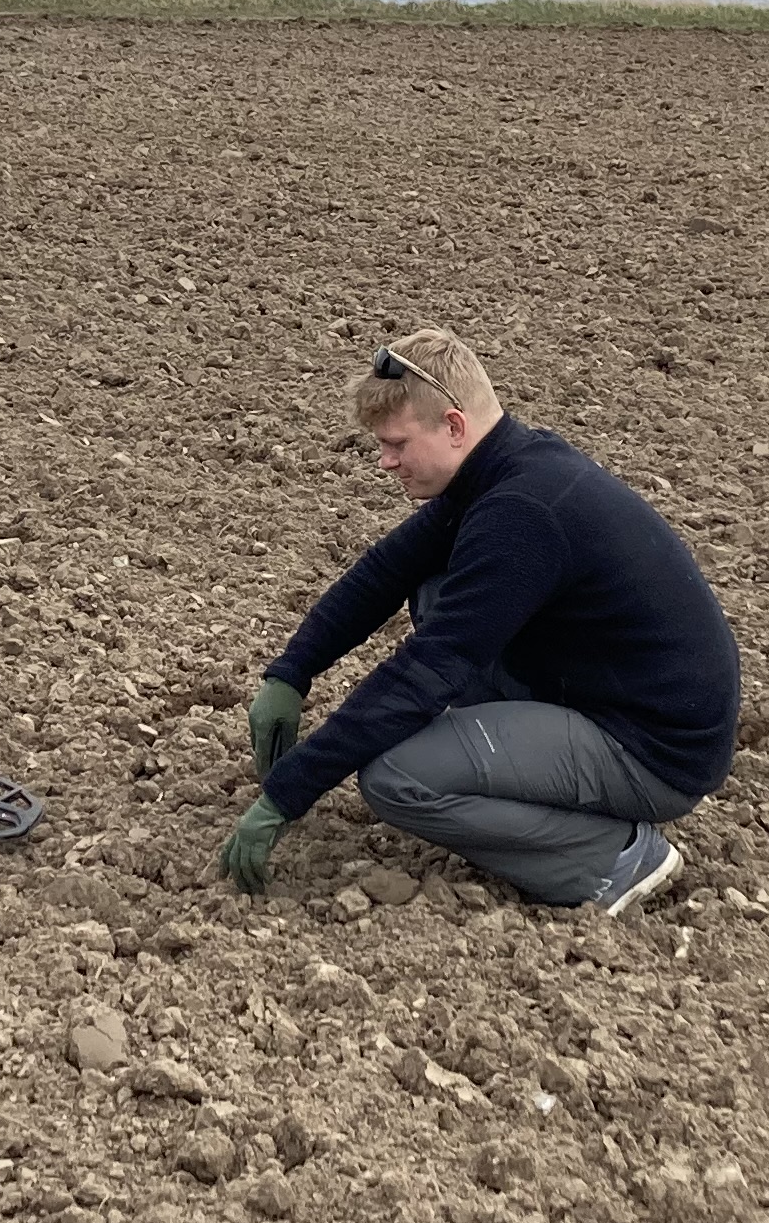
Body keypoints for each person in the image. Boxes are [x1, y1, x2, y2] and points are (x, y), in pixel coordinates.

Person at [219, 328, 737, 915]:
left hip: (653, 750)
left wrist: (287, 795)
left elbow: (429, 670)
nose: (385, 461)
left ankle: (613, 859)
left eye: (396, 444)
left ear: (455, 427)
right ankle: (509, 770)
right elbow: (384, 573)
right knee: (434, 589)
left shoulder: (521, 513)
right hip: (601, 694)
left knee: (395, 776)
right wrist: (290, 674)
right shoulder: (501, 466)